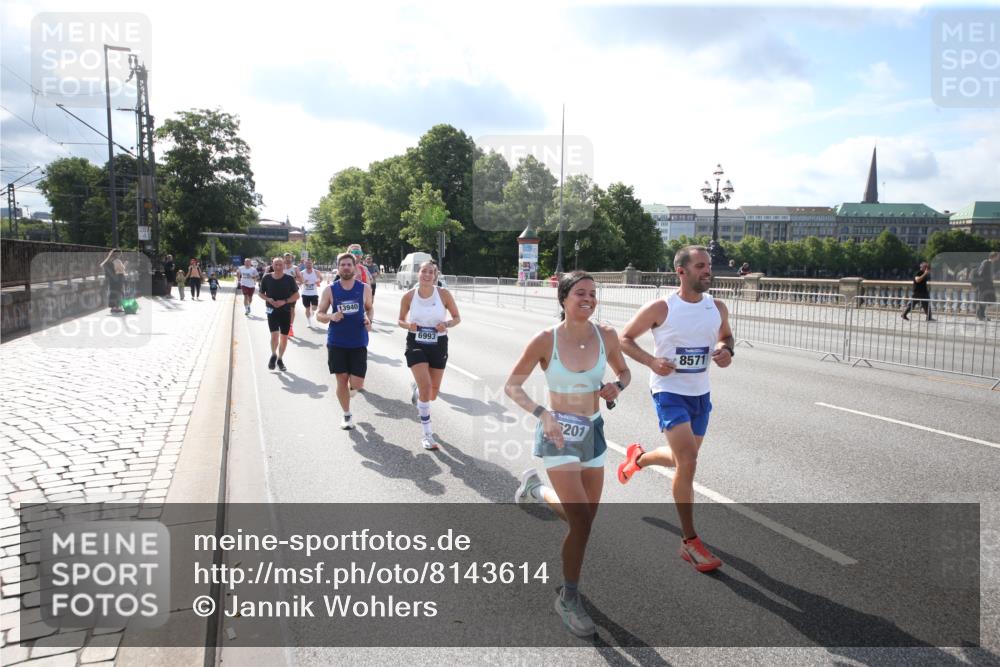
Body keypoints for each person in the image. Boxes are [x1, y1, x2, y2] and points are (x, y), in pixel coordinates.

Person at [505, 270, 630, 637]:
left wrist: (615, 386)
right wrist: (543, 415)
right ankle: (568, 597)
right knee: (582, 522)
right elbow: (512, 386)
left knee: (587, 517)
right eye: (580, 292)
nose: (588, 298)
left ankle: (536, 492)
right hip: (558, 432)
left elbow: (624, 371)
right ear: (563, 298)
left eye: (593, 293)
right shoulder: (546, 340)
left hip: (591, 430)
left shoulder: (606, 335)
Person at [618, 245, 734, 573]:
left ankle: (637, 460)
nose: (708, 270)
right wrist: (652, 361)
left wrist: (727, 351)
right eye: (700, 266)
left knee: (680, 458)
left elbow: (726, 337)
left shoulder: (718, 307)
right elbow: (624, 339)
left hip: (701, 394)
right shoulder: (662, 307)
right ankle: (689, 542)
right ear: (681, 271)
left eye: (708, 265)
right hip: (669, 392)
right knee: (689, 461)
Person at [398, 261, 461, 450]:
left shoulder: (444, 294)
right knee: (426, 389)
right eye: (423, 271)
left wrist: (447, 325)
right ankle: (427, 434)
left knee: (432, 393)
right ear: (418, 274)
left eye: (431, 272)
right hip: (416, 342)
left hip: (438, 343)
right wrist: (409, 325)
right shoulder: (409, 296)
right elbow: (400, 320)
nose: (427, 274)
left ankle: (417, 392)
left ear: (435, 275)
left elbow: (457, 318)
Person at [317, 252, 373, 430]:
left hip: (358, 341)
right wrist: (331, 316)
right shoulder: (330, 290)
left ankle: (349, 393)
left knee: (357, 384)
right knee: (341, 379)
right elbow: (319, 314)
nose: (346, 267)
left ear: (355, 268)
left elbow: (370, 309)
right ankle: (347, 415)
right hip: (337, 342)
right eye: (343, 265)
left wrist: (369, 320)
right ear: (338, 268)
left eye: (349, 264)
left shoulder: (364, 288)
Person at [258, 256, 299, 372]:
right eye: (276, 264)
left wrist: (284, 301)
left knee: (284, 338)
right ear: (272, 265)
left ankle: (280, 359)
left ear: (284, 266)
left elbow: (297, 296)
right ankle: (273, 355)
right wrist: (269, 299)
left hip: (285, 311)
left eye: (280, 264)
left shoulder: (289, 279)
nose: (278, 267)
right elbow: (260, 293)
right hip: (271, 310)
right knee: (274, 335)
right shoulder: (266, 278)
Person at [973, 251, 998, 321]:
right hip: (983, 286)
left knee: (985, 300)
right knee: (982, 300)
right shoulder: (986, 263)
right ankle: (980, 316)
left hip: (987, 286)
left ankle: (982, 315)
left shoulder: (990, 263)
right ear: (994, 256)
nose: (998, 257)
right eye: (997, 256)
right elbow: (981, 273)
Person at [298, 258, 324, 328]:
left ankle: (312, 311)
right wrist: (303, 282)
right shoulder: (302, 273)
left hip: (314, 293)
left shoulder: (316, 272)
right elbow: (298, 282)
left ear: (312, 263)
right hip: (305, 293)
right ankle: (309, 322)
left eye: (310, 263)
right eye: (307, 263)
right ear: (305, 264)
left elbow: (321, 278)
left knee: (314, 308)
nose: (308, 264)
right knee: (307, 308)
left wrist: (318, 281)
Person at [100, 248, 126, 313]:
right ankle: (116, 307)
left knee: (113, 292)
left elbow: (105, 267)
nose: (120, 254)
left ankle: (114, 307)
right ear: (117, 254)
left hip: (113, 279)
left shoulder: (109, 260)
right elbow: (120, 270)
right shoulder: (117, 260)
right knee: (118, 292)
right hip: (118, 278)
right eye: (120, 253)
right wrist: (125, 265)